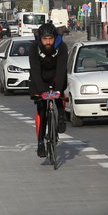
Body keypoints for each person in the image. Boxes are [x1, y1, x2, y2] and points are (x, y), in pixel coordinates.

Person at [28, 22, 68, 158]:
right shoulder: (34, 48)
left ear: (55, 38)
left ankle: (61, 115)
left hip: (56, 76)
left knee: (60, 93)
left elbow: (62, 70)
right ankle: (40, 143)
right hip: (40, 78)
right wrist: (41, 92)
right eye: (45, 39)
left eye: (51, 39)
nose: (48, 42)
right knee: (41, 109)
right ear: (40, 39)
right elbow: (35, 71)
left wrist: (57, 91)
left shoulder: (62, 47)